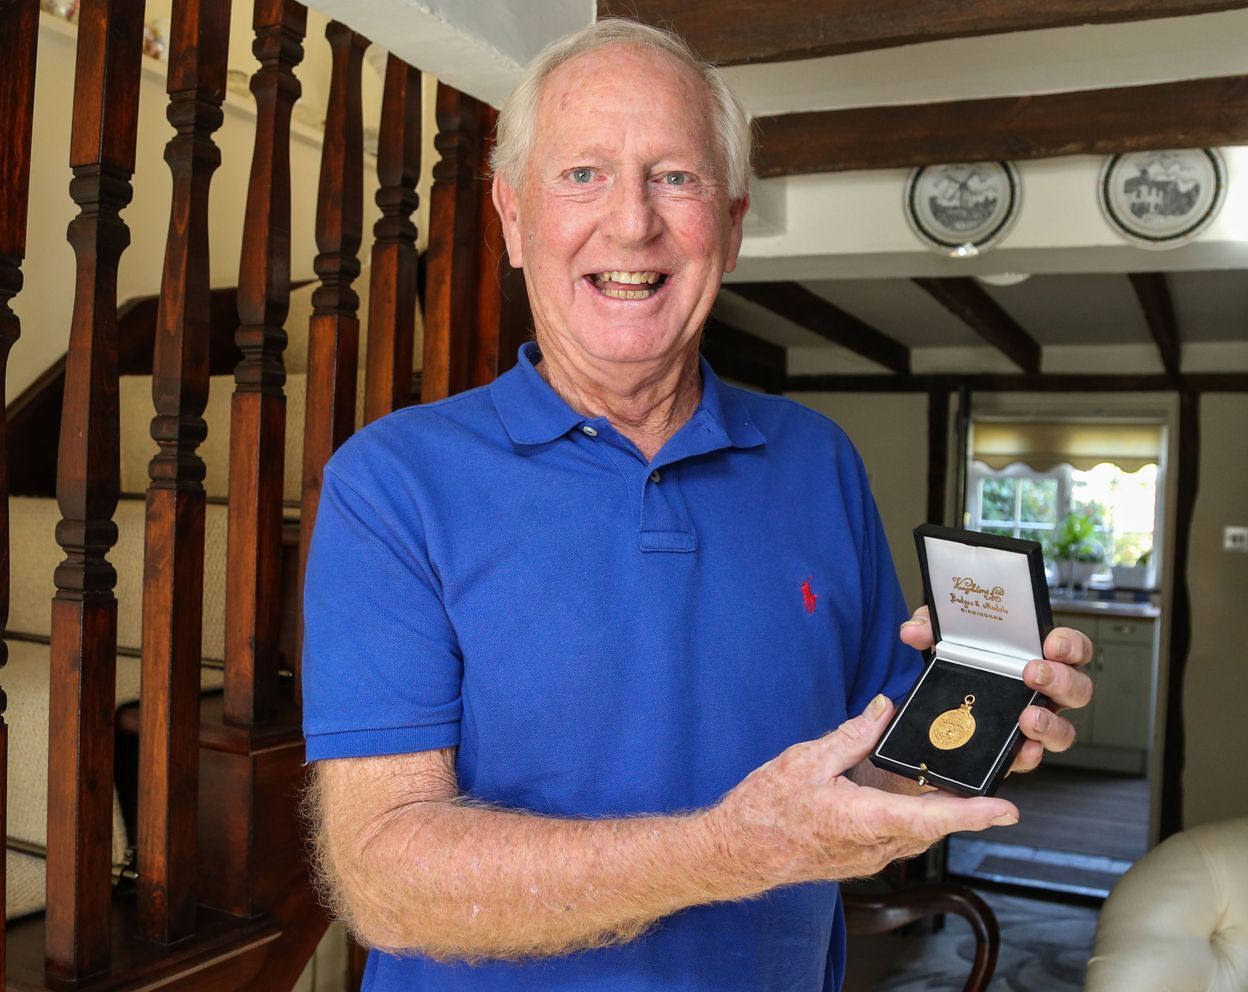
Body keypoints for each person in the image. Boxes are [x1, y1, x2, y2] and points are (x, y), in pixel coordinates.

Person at [300, 18, 1094, 992]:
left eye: (675, 176)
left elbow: (866, 774)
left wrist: (982, 729)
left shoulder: (818, 460)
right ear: (512, 217)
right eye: (582, 173)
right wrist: (729, 848)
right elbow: (383, 876)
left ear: (731, 220)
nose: (632, 222)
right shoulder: (392, 482)